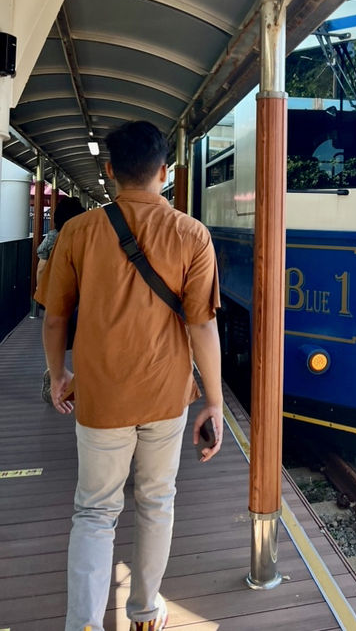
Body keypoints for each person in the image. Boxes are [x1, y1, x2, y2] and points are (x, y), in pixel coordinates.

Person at [35, 120, 223, 631]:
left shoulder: (78, 232)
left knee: (94, 512)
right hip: (166, 396)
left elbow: (54, 317)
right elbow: (202, 324)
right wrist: (214, 402)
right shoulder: (192, 234)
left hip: (100, 396)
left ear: (110, 170)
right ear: (165, 171)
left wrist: (58, 375)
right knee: (157, 503)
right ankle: (143, 613)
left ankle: (85, 624)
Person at [37, 196, 86, 404]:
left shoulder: (52, 237)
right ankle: (81, 378)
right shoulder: (84, 236)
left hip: (56, 294)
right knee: (81, 336)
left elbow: (41, 268)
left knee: (56, 331)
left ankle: (53, 372)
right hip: (81, 295)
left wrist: (44, 292)